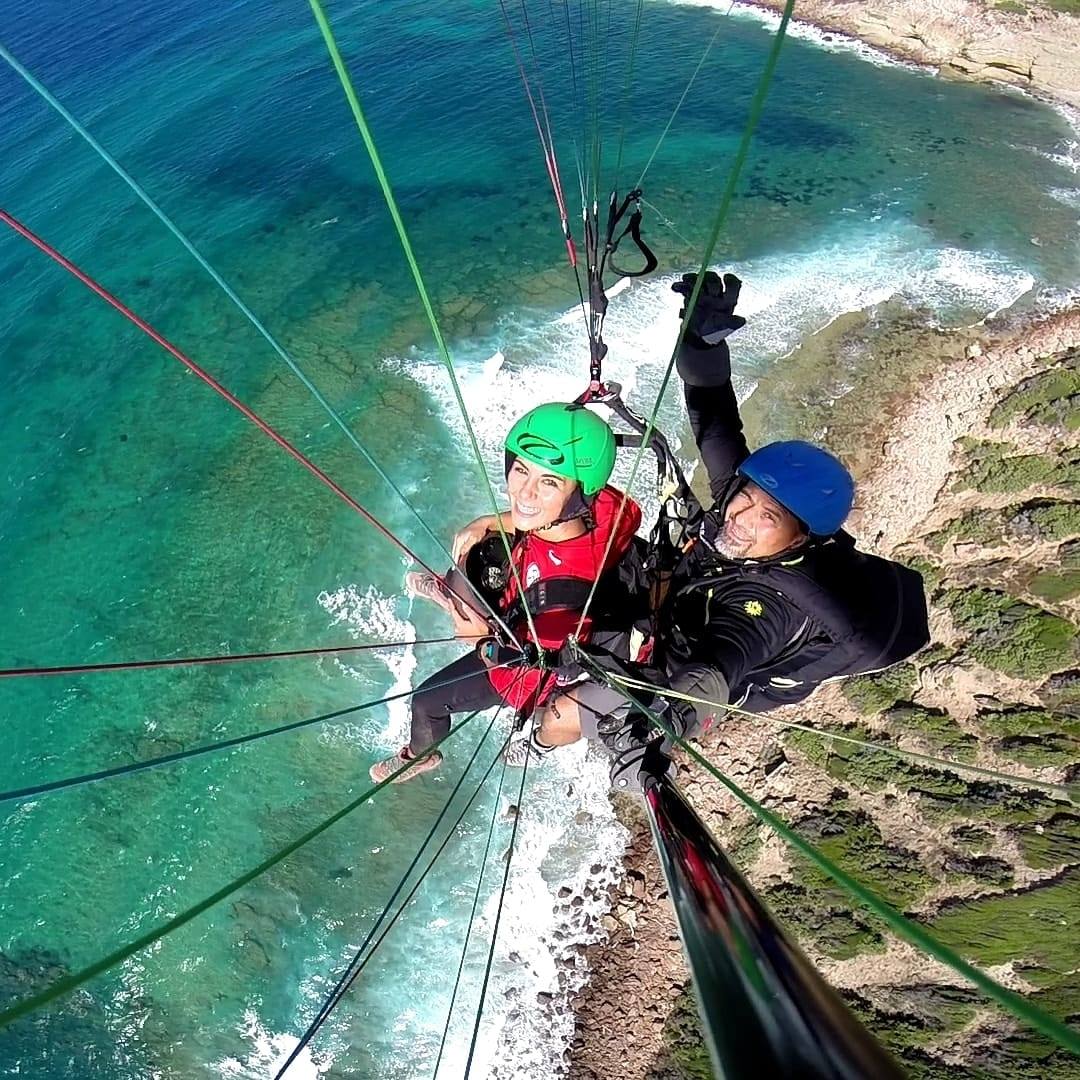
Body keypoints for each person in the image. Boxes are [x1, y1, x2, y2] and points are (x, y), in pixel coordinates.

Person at [530, 271, 929, 790]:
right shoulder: (737, 513)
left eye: (768, 517)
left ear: (800, 540)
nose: (740, 518)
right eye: (745, 498)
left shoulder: (776, 606)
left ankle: (533, 742)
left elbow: (722, 662)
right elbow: (713, 413)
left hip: (692, 662)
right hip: (684, 594)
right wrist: (700, 340)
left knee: (563, 711)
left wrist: (665, 721)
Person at [369, 402, 642, 784]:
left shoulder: (560, 610)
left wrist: (479, 638)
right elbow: (619, 511)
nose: (525, 493)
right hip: (529, 592)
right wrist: (488, 521)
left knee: (426, 702)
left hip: (524, 669)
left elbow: (520, 656)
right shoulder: (601, 510)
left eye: (550, 482)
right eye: (521, 470)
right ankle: (452, 594)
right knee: (473, 556)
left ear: (580, 494)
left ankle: (418, 756)